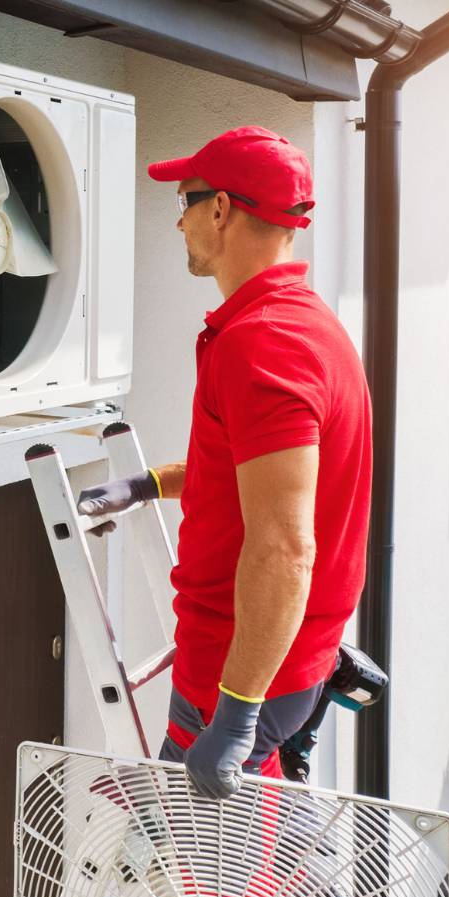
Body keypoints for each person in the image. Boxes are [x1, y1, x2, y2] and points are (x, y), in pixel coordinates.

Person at [79, 126, 371, 800]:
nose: (178, 220)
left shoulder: (264, 344)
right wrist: (146, 484)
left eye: (184, 201)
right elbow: (255, 477)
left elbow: (285, 546)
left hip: (238, 673)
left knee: (210, 883)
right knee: (202, 851)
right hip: (271, 663)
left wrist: (237, 715)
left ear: (221, 209)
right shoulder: (298, 325)